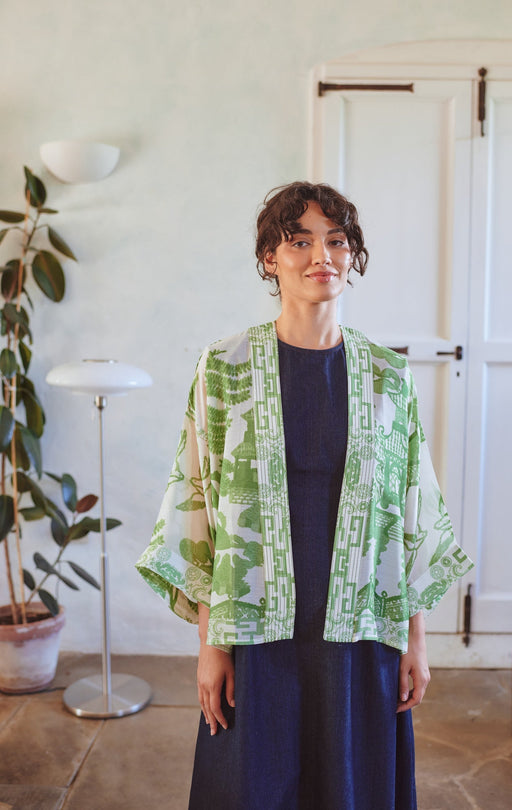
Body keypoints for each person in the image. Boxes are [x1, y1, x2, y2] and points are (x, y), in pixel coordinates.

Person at [136, 181, 473, 810]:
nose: (323, 255)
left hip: (361, 632)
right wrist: (212, 647)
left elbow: (410, 515)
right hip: (257, 632)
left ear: (352, 255)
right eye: (300, 241)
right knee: (252, 787)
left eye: (337, 240)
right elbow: (200, 511)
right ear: (270, 258)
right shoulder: (223, 369)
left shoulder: (388, 378)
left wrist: (416, 641)